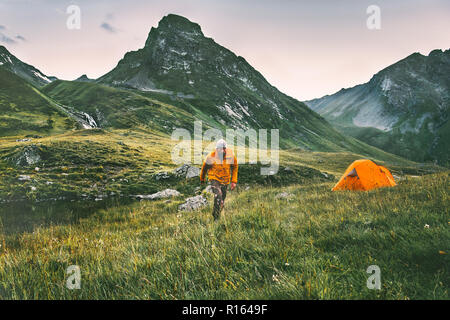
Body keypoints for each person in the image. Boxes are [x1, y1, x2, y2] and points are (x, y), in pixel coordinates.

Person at [200, 139, 238, 220]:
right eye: (221, 148)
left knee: (222, 200)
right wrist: (202, 179)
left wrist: (234, 181)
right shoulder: (211, 157)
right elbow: (204, 168)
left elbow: (235, 167)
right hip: (214, 178)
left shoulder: (231, 156)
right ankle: (216, 219)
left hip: (225, 180)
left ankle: (216, 213)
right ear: (217, 149)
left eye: (224, 148)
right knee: (218, 195)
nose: (223, 150)